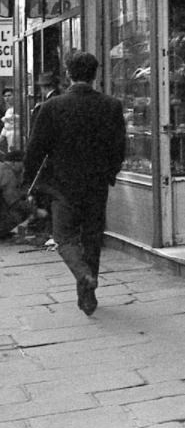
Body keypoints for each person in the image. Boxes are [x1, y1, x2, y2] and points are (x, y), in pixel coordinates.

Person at [23, 51, 126, 315]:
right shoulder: (111, 105)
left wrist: (28, 184)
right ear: (95, 75)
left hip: (62, 186)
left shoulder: (52, 107)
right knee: (92, 238)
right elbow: (119, 148)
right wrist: (109, 174)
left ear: (69, 74)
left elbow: (35, 150)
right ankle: (87, 295)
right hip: (96, 184)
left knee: (64, 236)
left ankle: (83, 275)